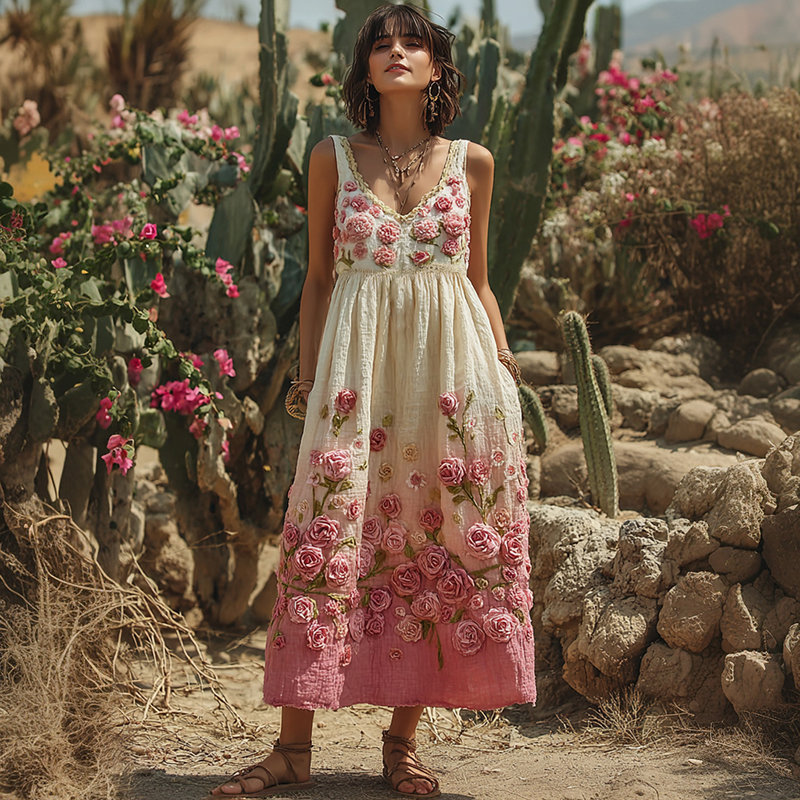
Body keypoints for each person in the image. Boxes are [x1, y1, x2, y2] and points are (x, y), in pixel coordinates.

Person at [206, 4, 536, 798]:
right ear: (365, 69)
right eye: (380, 43)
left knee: (443, 536)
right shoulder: (334, 159)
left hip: (454, 380)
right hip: (355, 381)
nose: (395, 51)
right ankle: (292, 748)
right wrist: (310, 380)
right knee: (327, 533)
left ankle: (400, 744)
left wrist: (502, 365)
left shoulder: (473, 163)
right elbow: (319, 281)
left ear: (435, 66)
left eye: (411, 42)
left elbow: (480, 282)